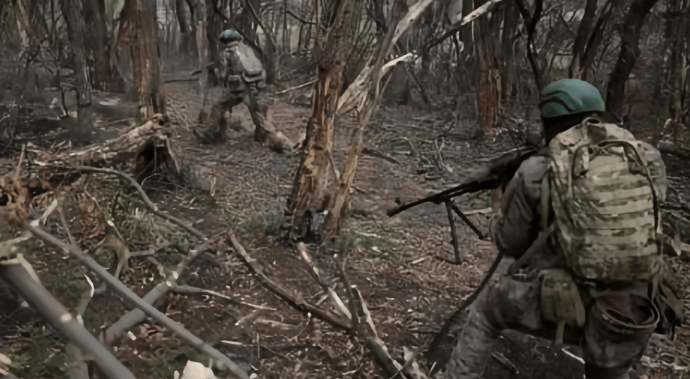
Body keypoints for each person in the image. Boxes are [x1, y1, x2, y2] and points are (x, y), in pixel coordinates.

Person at [445, 79, 683, 379]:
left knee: (486, 311)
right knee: (609, 367)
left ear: (550, 121)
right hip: (634, 309)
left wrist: (499, 205)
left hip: (572, 304)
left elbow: (511, 244)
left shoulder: (538, 169)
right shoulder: (646, 157)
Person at [196, 29, 272, 144]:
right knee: (257, 113)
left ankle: (210, 134)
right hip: (253, 87)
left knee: (218, 107)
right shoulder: (248, 50)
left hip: (239, 87)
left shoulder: (230, 51)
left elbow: (227, 72)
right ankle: (262, 137)